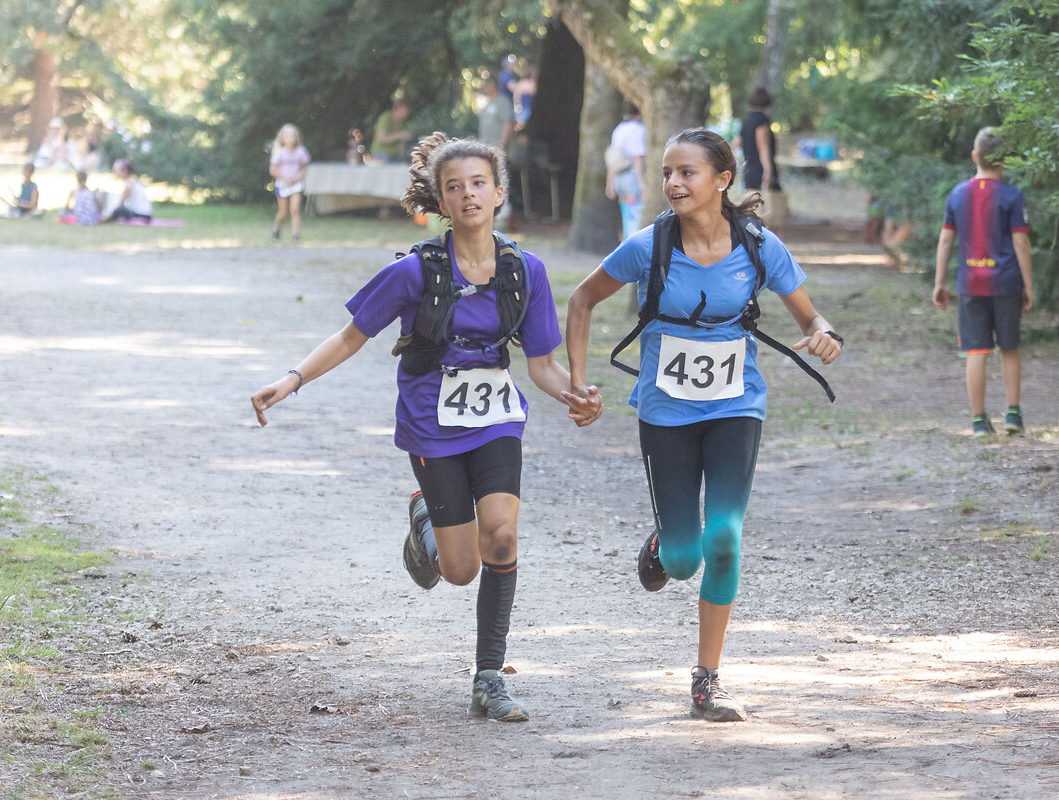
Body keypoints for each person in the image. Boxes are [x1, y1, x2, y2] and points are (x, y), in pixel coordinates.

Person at [251, 133, 602, 722]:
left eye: (478, 184)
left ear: (498, 193)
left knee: (503, 537)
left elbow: (540, 363)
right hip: (429, 419)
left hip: (494, 418)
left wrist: (576, 394)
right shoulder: (415, 271)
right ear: (440, 200)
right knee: (458, 570)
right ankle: (425, 519)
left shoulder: (525, 271)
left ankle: (489, 677)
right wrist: (292, 380)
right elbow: (350, 336)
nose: (468, 195)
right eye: (454, 187)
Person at [565, 128, 842, 723]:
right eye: (667, 172)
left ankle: (707, 681)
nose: (672, 183)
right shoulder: (648, 245)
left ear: (722, 179)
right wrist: (579, 381)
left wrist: (822, 332)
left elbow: (811, 312)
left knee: (725, 536)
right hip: (664, 411)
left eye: (686, 172)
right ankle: (668, 543)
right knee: (687, 557)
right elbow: (582, 300)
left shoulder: (760, 247)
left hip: (735, 405)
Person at [933, 127, 1033, 438]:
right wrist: (1028, 285)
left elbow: (946, 239)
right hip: (1006, 284)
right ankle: (1013, 413)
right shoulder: (1012, 195)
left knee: (976, 351)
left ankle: (979, 420)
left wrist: (940, 282)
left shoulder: (957, 194)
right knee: (1010, 348)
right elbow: (1021, 244)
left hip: (970, 285)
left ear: (974, 156)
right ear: (1004, 161)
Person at [476, 76, 514, 231]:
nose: (482, 87)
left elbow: (507, 123)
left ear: (492, 85)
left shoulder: (502, 102)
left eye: (485, 85)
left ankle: (502, 215)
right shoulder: (486, 103)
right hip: (485, 150)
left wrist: (502, 145)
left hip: (496, 149)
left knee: (500, 181)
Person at [606, 101, 646, 241]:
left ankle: (626, 242)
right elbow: (637, 158)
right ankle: (632, 246)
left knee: (626, 213)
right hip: (632, 178)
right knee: (635, 215)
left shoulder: (619, 129)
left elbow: (612, 158)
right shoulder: (639, 130)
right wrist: (642, 184)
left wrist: (610, 183)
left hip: (618, 178)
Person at [269, 124, 311, 244]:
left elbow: (304, 168)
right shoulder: (280, 153)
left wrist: (297, 177)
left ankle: (296, 235)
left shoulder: (301, 152)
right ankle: (277, 229)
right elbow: (273, 170)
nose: (290, 138)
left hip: (295, 184)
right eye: (287, 136)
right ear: (282, 139)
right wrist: (283, 178)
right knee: (283, 212)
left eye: (293, 135)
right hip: (282, 185)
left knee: (295, 209)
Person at [736, 88, 780, 194]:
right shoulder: (761, 121)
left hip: (748, 169)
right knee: (769, 207)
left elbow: (736, 142)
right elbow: (763, 147)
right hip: (760, 170)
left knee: (749, 204)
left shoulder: (747, 120)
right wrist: (768, 170)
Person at [99, 159, 153, 223]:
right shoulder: (132, 181)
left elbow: (121, 204)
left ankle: (105, 219)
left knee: (119, 210)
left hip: (142, 215)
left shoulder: (129, 184)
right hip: (145, 214)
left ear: (124, 172)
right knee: (120, 210)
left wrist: (108, 215)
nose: (114, 172)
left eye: (116, 170)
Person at [372, 98, 413, 163]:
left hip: (396, 154)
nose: (404, 115)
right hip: (382, 154)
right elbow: (381, 138)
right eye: (402, 112)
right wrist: (399, 135)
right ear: (395, 109)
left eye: (406, 113)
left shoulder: (403, 122)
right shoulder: (386, 118)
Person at [513, 66, 537, 130]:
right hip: (527, 110)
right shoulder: (531, 84)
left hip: (519, 110)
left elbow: (516, 98)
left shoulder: (520, 83)